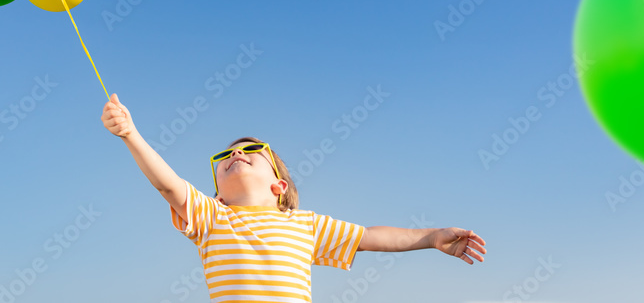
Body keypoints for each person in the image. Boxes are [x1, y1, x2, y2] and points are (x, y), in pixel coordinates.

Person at [101, 93, 486, 302]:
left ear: (279, 186)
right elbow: (169, 185)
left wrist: (432, 238)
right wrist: (131, 134)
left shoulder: (304, 224)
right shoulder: (212, 217)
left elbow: (370, 238)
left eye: (252, 152)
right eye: (224, 156)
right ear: (217, 193)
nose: (235, 154)